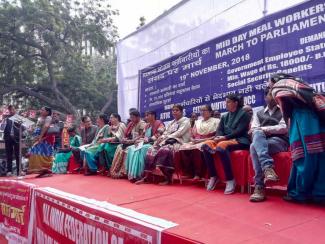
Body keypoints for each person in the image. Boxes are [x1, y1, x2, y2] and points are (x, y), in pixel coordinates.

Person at [269, 73, 325, 204]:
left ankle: (300, 193)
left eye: (269, 83)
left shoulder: (280, 86)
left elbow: (286, 112)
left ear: (275, 80)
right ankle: (320, 194)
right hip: (317, 121)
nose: (269, 86)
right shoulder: (301, 86)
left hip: (302, 121)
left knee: (302, 157)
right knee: (319, 156)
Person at [201, 94, 251, 194]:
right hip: (225, 139)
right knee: (205, 145)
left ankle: (230, 179)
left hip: (241, 140)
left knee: (222, 146)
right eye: (226, 102)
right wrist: (219, 137)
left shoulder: (244, 114)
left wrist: (224, 138)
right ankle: (213, 176)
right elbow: (220, 130)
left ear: (235, 103)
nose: (226, 104)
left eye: (228, 102)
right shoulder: (224, 116)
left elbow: (240, 131)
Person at [249, 88, 289, 202]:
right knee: (254, 143)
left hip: (279, 141)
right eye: (271, 95)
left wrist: (263, 129)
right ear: (266, 97)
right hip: (262, 141)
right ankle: (267, 168)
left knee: (255, 144)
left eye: (276, 95)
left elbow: (283, 128)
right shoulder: (258, 113)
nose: (274, 97)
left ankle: (259, 186)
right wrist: (260, 131)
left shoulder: (283, 110)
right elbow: (253, 129)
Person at [137, 105, 191, 185]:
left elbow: (179, 133)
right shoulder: (172, 122)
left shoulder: (186, 121)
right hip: (167, 141)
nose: (174, 112)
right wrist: (161, 138)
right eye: (173, 110)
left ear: (181, 112)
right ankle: (147, 177)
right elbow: (165, 132)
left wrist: (164, 138)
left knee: (164, 151)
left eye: (177, 110)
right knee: (151, 150)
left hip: (179, 142)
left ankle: (168, 178)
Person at [178, 105, 219, 180]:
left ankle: (198, 173)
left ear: (210, 112)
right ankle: (189, 173)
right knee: (182, 147)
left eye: (204, 110)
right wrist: (192, 140)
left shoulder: (216, 121)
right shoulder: (198, 122)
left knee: (198, 148)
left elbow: (216, 136)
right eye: (201, 111)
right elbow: (191, 135)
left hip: (209, 141)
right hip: (196, 141)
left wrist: (201, 140)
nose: (202, 112)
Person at [125, 111, 165, 182]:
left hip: (154, 144)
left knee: (141, 149)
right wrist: (138, 140)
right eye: (145, 116)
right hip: (145, 142)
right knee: (131, 148)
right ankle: (132, 174)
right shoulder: (147, 125)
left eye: (147, 115)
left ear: (153, 116)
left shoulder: (159, 124)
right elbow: (142, 136)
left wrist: (148, 139)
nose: (146, 117)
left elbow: (159, 134)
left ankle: (140, 175)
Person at [109, 110, 145, 178]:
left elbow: (142, 135)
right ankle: (116, 170)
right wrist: (125, 139)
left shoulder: (142, 124)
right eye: (130, 117)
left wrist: (131, 141)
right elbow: (126, 135)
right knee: (119, 147)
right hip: (130, 141)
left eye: (132, 117)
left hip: (138, 142)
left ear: (138, 117)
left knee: (125, 150)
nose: (131, 119)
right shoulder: (131, 124)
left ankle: (123, 172)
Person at [28, 106, 55, 177]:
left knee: (44, 153)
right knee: (35, 152)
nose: (41, 111)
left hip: (45, 139)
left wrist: (40, 137)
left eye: (43, 110)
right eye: (41, 110)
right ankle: (39, 170)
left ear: (47, 112)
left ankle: (46, 170)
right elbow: (38, 127)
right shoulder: (40, 118)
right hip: (38, 138)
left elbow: (46, 126)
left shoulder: (48, 118)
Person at [3, 105, 22, 176]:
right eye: (10, 110)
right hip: (8, 138)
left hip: (17, 138)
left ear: (15, 110)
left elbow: (23, 127)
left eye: (13, 109)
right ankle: (9, 171)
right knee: (9, 154)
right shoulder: (6, 118)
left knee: (18, 155)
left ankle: (19, 170)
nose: (11, 111)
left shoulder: (19, 118)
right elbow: (2, 127)